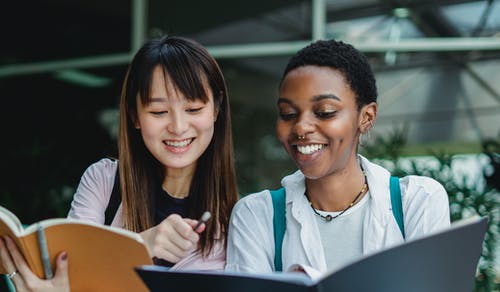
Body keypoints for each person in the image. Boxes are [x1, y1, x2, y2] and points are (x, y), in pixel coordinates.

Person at [1, 35, 238, 291]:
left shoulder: (240, 220)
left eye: (193, 110)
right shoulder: (103, 181)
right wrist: (140, 245)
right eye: (159, 112)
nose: (178, 128)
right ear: (134, 115)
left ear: (216, 109)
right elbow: (69, 273)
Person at [225, 39, 450, 275]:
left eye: (325, 112)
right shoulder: (257, 216)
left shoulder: (416, 202)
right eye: (288, 113)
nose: (301, 127)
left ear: (366, 117)